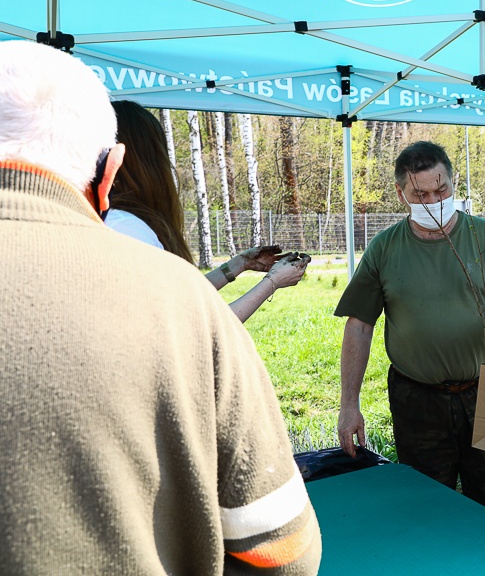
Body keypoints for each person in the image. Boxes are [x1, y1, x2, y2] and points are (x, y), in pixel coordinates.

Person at [0, 40, 320, 575]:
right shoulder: (135, 247)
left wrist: (237, 266)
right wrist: (269, 284)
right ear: (111, 169)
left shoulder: (147, 254)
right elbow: (282, 548)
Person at [334, 141, 485, 519]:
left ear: (453, 182)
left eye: (442, 189)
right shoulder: (385, 248)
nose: (434, 200)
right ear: (402, 194)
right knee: (425, 505)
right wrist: (349, 405)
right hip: (417, 397)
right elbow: (359, 325)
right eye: (422, 194)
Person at [109, 99, 309, 323]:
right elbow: (197, 325)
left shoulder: (124, 223)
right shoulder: (127, 230)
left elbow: (182, 297)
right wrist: (272, 282)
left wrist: (240, 264)